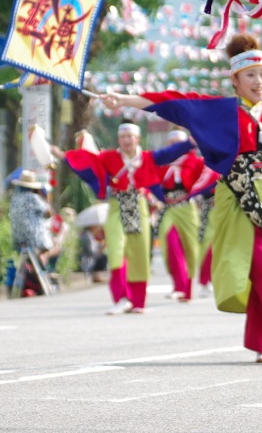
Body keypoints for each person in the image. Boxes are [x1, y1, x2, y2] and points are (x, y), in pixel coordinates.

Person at [100, 32, 262, 364]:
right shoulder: (220, 111)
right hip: (236, 198)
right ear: (235, 79)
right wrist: (123, 99)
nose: (259, 82)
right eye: (251, 75)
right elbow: (173, 103)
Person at [55, 122, 193, 314]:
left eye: (130, 136)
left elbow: (168, 154)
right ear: (119, 139)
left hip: (139, 206)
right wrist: (64, 156)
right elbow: (88, 162)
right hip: (117, 206)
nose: (127, 140)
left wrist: (190, 143)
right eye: (123, 137)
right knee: (116, 251)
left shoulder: (146, 157)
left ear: (137, 138)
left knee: (139, 255)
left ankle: (137, 301)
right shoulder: (109, 157)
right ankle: (121, 297)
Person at [154, 130, 205, 302]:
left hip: (187, 208)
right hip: (169, 208)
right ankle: (178, 285)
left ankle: (187, 290)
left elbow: (206, 178)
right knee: (170, 242)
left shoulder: (195, 161)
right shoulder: (161, 162)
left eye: (178, 142)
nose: (175, 146)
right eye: (172, 143)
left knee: (190, 248)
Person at [8, 169, 53, 296]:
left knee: (31, 256)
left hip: (18, 238)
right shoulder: (34, 198)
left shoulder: (14, 199)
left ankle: (34, 270)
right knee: (46, 249)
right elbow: (48, 213)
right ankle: (41, 270)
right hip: (34, 238)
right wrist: (44, 196)